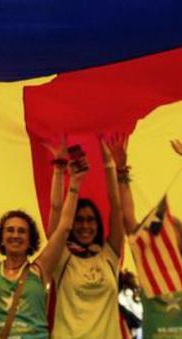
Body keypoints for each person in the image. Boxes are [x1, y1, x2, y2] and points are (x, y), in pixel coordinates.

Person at [113, 120, 182, 339]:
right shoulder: (149, 268)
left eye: (168, 232)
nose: (158, 237)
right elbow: (128, 220)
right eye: (155, 233)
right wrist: (121, 171)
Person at [0, 163, 86, 337]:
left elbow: (64, 228)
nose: (15, 235)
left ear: (30, 239)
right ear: (1, 237)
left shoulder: (40, 269)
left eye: (22, 231)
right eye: (10, 230)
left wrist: (74, 183)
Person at [44, 135, 127, 339]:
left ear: (98, 226)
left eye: (91, 220)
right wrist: (59, 169)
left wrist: (110, 164)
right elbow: (55, 209)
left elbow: (117, 209)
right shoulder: (62, 259)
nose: (85, 225)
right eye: (79, 220)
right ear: (71, 224)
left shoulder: (110, 256)